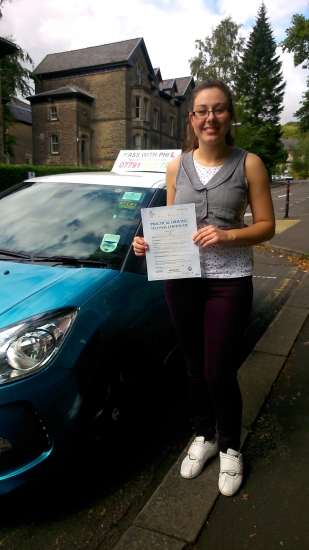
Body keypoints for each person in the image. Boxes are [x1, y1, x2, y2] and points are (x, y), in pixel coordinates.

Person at [133, 79, 275, 497]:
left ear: (229, 116)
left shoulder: (249, 163)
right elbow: (172, 222)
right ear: (191, 118)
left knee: (219, 368)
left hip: (229, 281)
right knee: (193, 366)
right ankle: (204, 437)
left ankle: (231, 445)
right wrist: (148, 242)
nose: (209, 117)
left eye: (218, 109)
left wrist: (229, 236)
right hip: (182, 278)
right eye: (201, 110)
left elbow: (266, 226)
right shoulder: (177, 166)